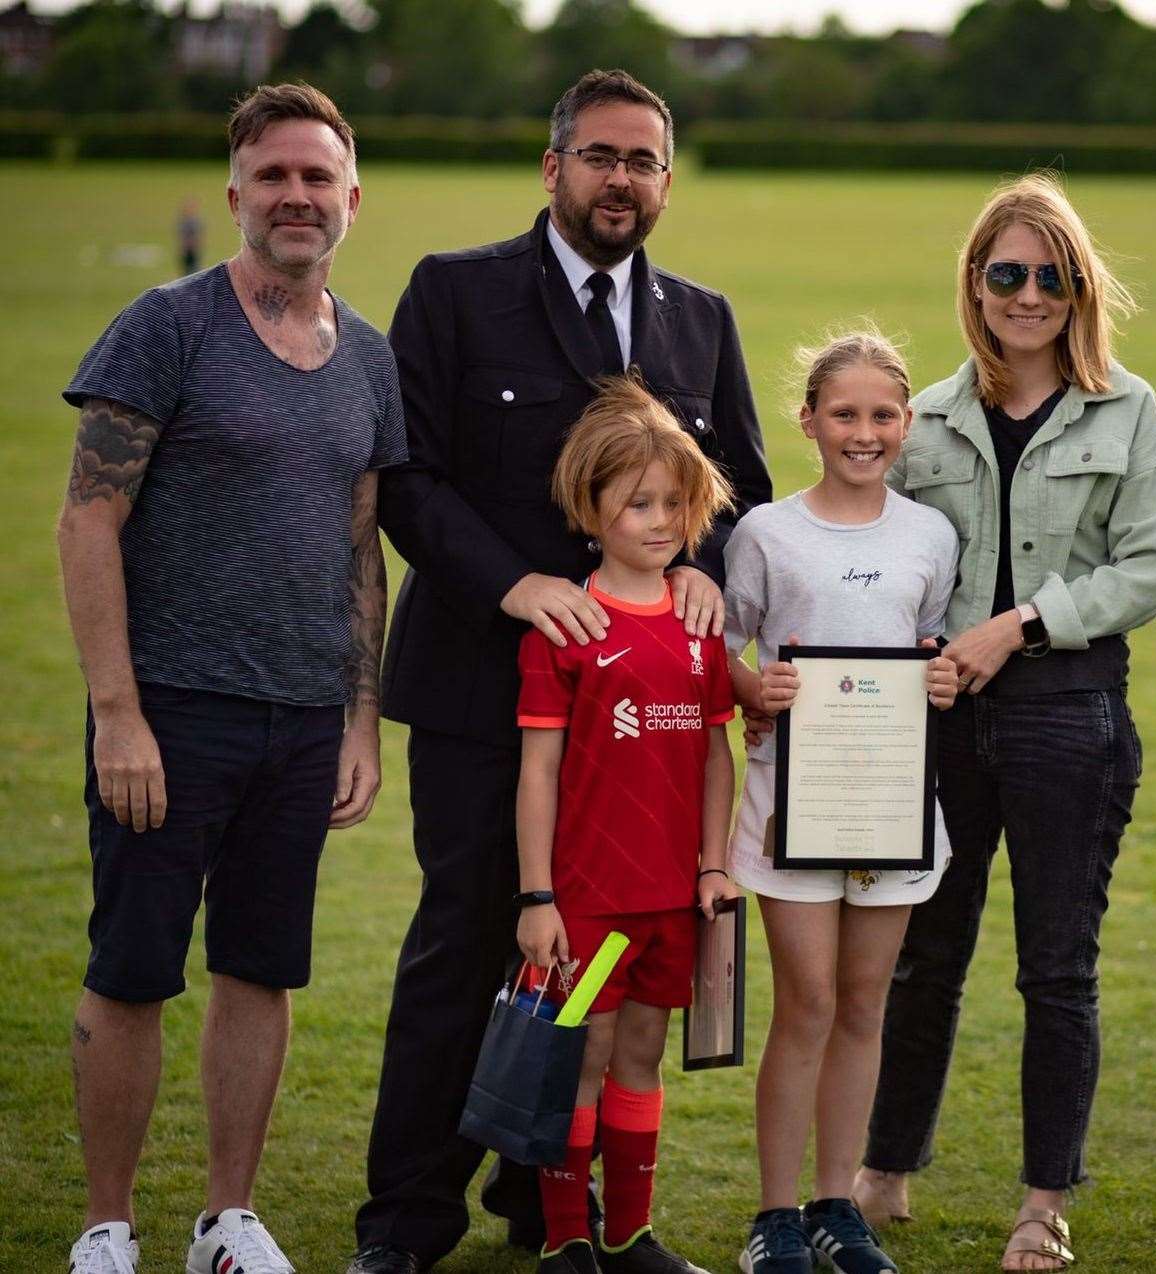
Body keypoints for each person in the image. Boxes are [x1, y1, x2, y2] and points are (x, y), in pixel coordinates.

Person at [351, 69, 772, 1274]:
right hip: (493, 686)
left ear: (667, 181)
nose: (620, 180)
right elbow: (409, 477)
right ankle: (407, 1220)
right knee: (472, 937)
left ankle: (557, 1216)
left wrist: (706, 561)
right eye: (599, 156)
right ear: (553, 169)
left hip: (641, 719)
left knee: (604, 977)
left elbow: (735, 486)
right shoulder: (457, 290)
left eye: (643, 161)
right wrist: (517, 585)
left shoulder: (701, 317)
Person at [57, 83, 403, 1274]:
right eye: (274, 176)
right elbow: (86, 523)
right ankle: (107, 1224)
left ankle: (226, 1219)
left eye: (318, 178)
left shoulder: (367, 353)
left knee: (261, 966)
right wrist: (118, 713)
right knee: (134, 966)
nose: (297, 197)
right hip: (170, 710)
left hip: (305, 718)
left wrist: (361, 715)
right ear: (235, 194)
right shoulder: (168, 324)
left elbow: (364, 543)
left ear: (352, 200)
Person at [828, 174, 1156, 1273]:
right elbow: (868, 547)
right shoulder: (919, 416)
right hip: (931, 725)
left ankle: (1041, 1200)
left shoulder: (1129, 409)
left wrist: (1020, 625)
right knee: (920, 957)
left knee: (1054, 968)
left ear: (1079, 286)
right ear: (974, 285)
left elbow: (1151, 565)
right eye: (1005, 274)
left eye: (1050, 275)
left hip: (1067, 716)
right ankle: (882, 1171)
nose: (1027, 295)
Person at [724, 330, 960, 1274]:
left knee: (865, 1004)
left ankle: (837, 1205)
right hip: (791, 806)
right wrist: (755, 694)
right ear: (810, 421)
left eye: (882, 415)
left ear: (906, 423)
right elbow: (722, 649)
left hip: (891, 806)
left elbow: (928, 648)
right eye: (844, 414)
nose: (864, 433)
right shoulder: (766, 533)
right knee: (808, 1002)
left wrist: (940, 680)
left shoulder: (929, 535)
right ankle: (775, 1216)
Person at [514, 377, 738, 1274]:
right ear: (590, 508)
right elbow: (537, 772)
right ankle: (566, 1237)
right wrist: (538, 897)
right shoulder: (566, 627)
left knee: (641, 1054)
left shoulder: (699, 625)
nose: (659, 520)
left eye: (674, 504)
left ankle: (631, 1235)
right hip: (590, 904)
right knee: (583, 1056)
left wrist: (713, 867)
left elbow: (718, 754)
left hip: (668, 901)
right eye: (637, 502)